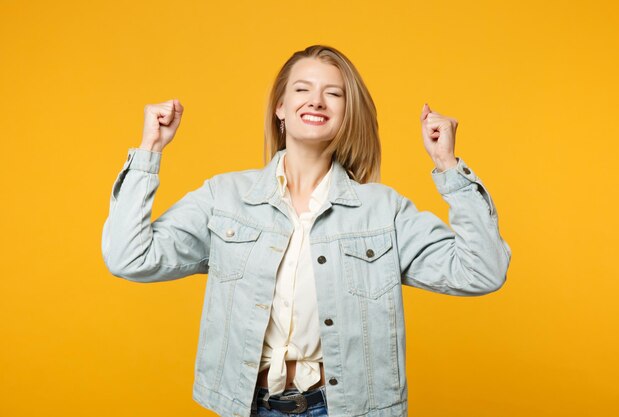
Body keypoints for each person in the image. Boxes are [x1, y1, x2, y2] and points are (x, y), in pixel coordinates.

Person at [101, 44, 512, 417]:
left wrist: (448, 167)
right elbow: (129, 257)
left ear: (347, 113)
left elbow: (482, 271)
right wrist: (149, 150)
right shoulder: (224, 198)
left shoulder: (382, 211)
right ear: (280, 107)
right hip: (248, 407)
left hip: (342, 410)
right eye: (302, 90)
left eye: (333, 93)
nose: (316, 100)